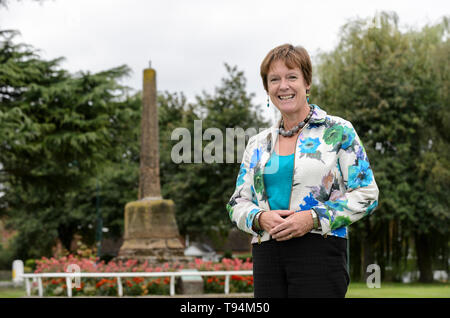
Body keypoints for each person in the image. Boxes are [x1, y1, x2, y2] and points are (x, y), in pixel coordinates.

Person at [226, 44, 379, 298]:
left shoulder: (339, 131)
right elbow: (236, 203)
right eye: (274, 79)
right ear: (267, 89)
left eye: (292, 77)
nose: (283, 86)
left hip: (320, 253)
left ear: (307, 82)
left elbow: (367, 194)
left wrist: (313, 218)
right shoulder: (257, 143)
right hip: (267, 256)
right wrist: (259, 218)